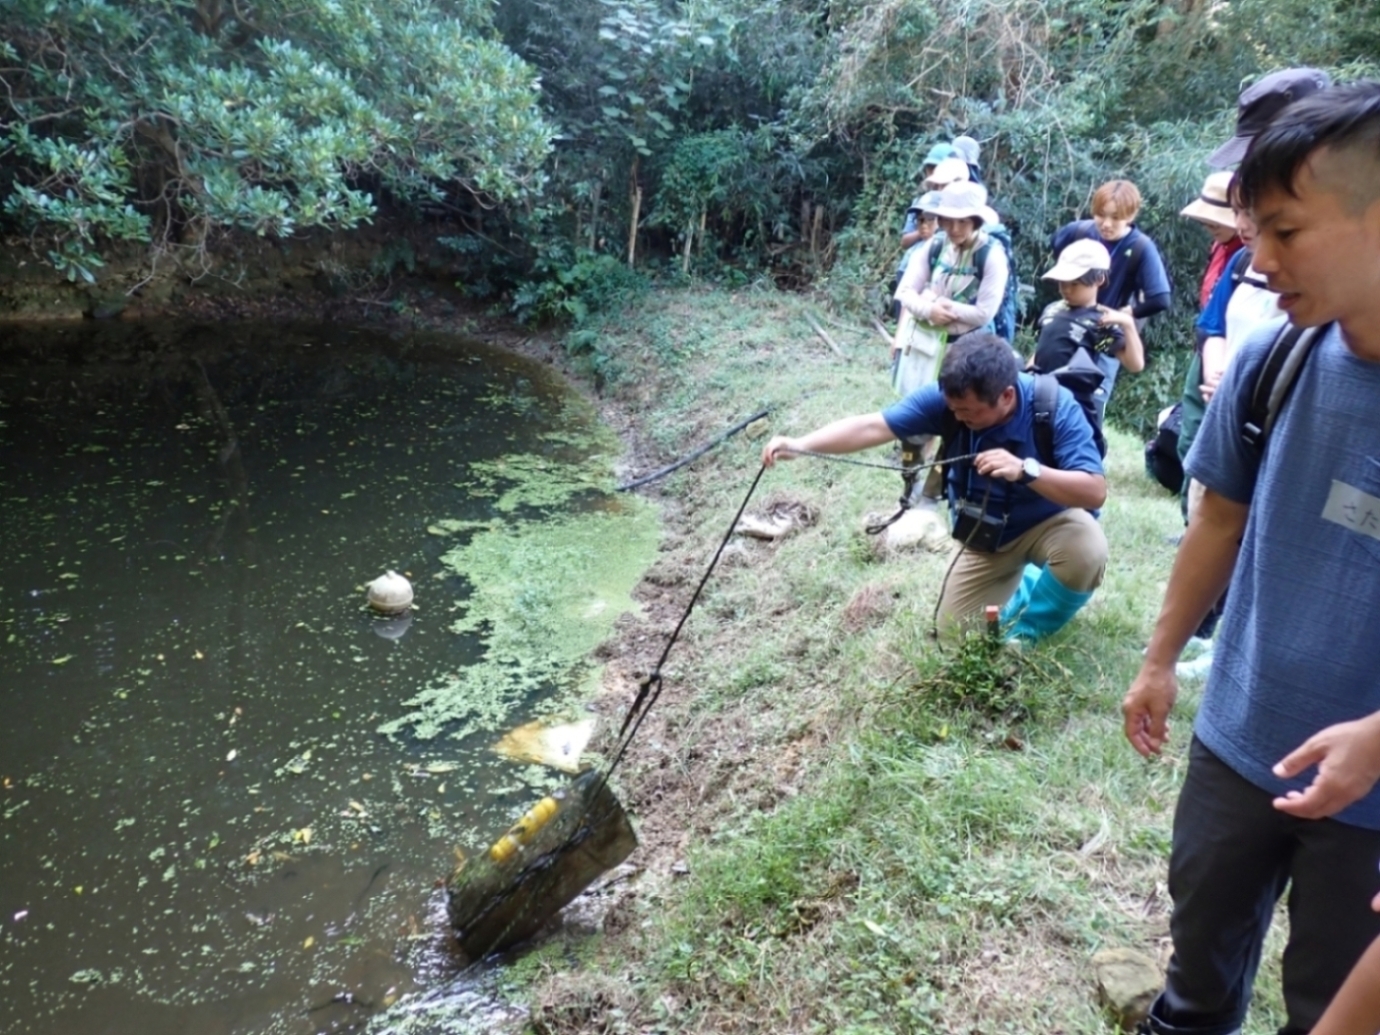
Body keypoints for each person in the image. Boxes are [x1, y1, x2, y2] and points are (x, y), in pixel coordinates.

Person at [1123, 81, 1380, 1035]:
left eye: (1285, 232)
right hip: (1237, 744)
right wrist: (1158, 661)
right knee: (1198, 979)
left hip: (1371, 806)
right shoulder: (1277, 359)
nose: (1256, 263)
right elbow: (1217, 522)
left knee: (1331, 1009)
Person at [764, 332, 1107, 642]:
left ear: (1005, 396)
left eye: (969, 412)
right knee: (954, 639)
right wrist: (801, 444)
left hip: (1050, 525)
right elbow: (872, 427)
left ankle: (1026, 634)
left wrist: (1025, 471)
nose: (958, 418)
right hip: (989, 536)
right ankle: (1018, 589)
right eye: (953, 409)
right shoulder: (949, 401)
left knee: (1086, 547)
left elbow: (1094, 490)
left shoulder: (1054, 406)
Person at [1050, 180, 1171, 418]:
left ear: (1131, 215)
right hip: (1068, 320)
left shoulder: (1140, 248)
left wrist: (1128, 315)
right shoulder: (1081, 231)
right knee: (1050, 387)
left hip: (1103, 332)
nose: (1106, 224)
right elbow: (1056, 246)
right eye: (1100, 215)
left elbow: (1161, 298)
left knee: (1091, 396)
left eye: (1115, 218)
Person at [1030, 238, 1145, 456]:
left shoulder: (1099, 322)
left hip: (1072, 403)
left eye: (1075, 283)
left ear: (1098, 279)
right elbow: (1041, 350)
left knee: (1071, 455)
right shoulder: (1052, 310)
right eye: (1063, 283)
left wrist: (1128, 324)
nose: (1066, 289)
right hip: (1039, 394)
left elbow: (1134, 363)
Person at [1180, 170, 1243, 310]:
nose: (1210, 229)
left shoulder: (1247, 255)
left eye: (1215, 224)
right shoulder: (1219, 245)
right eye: (1205, 223)